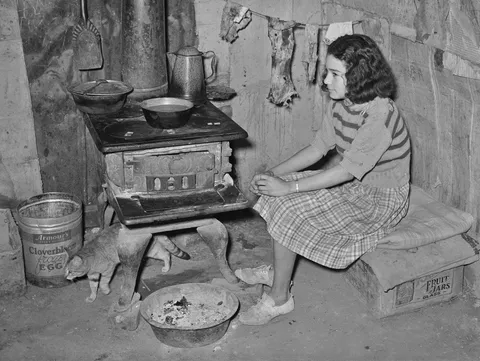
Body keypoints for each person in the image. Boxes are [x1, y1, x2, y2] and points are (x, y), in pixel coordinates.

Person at [236, 34, 411, 326]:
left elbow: (344, 171)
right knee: (276, 191)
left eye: (335, 74)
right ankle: (279, 273)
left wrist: (289, 187)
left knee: (289, 203)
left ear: (359, 77)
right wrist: (274, 174)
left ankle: (280, 299)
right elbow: (318, 148)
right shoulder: (343, 103)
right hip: (355, 184)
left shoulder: (380, 114)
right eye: (327, 72)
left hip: (380, 199)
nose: (326, 81)